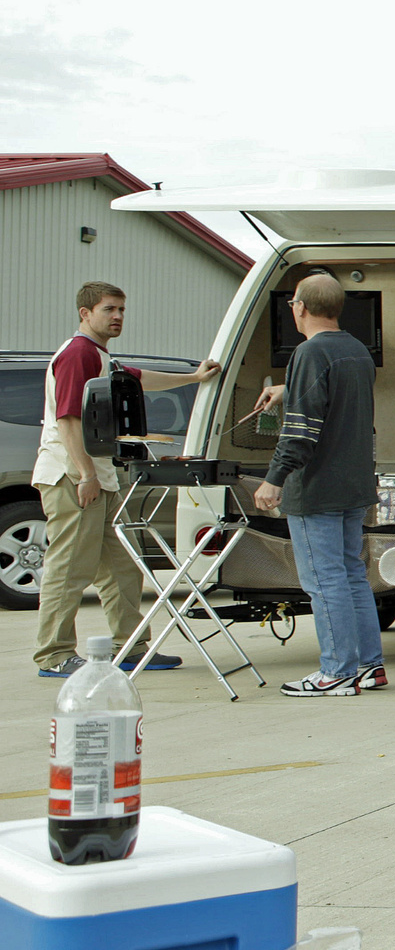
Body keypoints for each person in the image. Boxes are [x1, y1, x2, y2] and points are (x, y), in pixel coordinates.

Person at [33, 281, 221, 677]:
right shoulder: (78, 354)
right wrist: (86, 474)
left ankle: (132, 647)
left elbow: (137, 379)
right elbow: (67, 419)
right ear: (85, 313)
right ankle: (54, 655)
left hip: (99, 477)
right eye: (108, 309)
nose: (117, 316)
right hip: (71, 476)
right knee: (69, 568)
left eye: (121, 309)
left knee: (122, 565)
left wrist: (193, 377)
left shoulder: (100, 356)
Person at [250, 272, 383, 696]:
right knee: (350, 575)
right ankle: (368, 666)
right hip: (353, 483)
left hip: (317, 486)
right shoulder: (357, 351)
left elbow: (301, 432)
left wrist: (274, 479)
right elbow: (334, 394)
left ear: (300, 308)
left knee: (324, 581)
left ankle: (336, 672)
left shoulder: (309, 352)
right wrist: (287, 389)